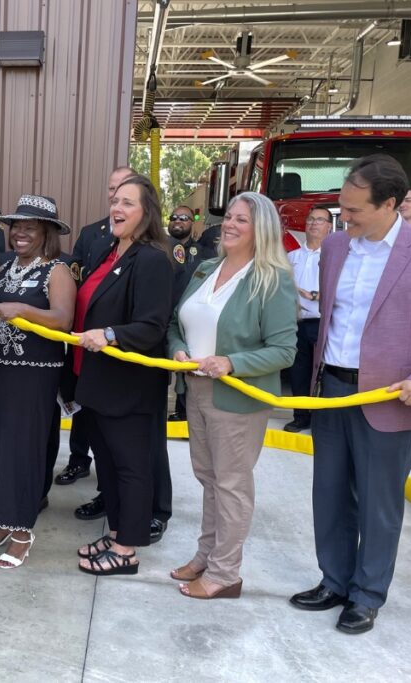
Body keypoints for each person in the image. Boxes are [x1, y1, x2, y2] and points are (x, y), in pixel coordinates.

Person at [290, 154, 411, 635]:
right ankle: (334, 580)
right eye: (341, 208)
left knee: (379, 503)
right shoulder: (335, 248)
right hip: (332, 390)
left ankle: (367, 594)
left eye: (354, 211)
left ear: (390, 204)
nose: (343, 218)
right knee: (328, 495)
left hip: (394, 399)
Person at [167, 192, 298, 599]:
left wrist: (231, 362)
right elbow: (177, 322)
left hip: (238, 397)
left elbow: (284, 350)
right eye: (229, 218)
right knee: (208, 479)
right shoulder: (207, 268)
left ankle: (226, 573)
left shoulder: (271, 279)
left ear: (261, 230)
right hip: (197, 389)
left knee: (232, 484)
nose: (230, 225)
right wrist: (177, 349)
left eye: (242, 220)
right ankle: (207, 555)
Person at [73, 174, 173, 577]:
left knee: (130, 467)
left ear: (147, 213)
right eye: (115, 200)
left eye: (128, 203)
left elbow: (152, 326)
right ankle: (116, 531)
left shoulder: (151, 259)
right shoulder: (109, 251)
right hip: (96, 382)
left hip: (127, 387)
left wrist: (111, 335)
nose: (117, 208)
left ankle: (127, 550)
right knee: (108, 466)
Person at [0, 195, 75, 569]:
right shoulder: (4, 267)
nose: (20, 234)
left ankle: (22, 532)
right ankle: (2, 519)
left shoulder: (57, 270)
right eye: (16, 226)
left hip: (36, 374)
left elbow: (63, 320)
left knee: (22, 450)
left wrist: (21, 310)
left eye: (30, 227)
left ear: (46, 232)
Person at [55, 166, 131, 492]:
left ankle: (108, 481)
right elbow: (76, 277)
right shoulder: (92, 233)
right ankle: (77, 460)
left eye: (124, 190)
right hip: (82, 337)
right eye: (112, 189)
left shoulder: (143, 244)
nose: (115, 196)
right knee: (81, 402)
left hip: (116, 342)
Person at [166, 203, 219, 423]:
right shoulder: (157, 248)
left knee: (187, 366)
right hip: (159, 318)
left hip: (186, 321)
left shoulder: (205, 255)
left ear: (193, 224)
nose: (178, 221)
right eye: (174, 217)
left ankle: (183, 411)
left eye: (184, 218)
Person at [284, 205, 333, 433]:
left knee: (324, 372)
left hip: (323, 322)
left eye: (320, 220)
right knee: (298, 371)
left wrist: (313, 295)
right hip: (296, 322)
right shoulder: (291, 257)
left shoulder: (335, 256)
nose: (314, 224)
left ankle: (322, 419)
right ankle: (300, 415)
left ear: (330, 227)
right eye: (311, 219)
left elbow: (341, 289)